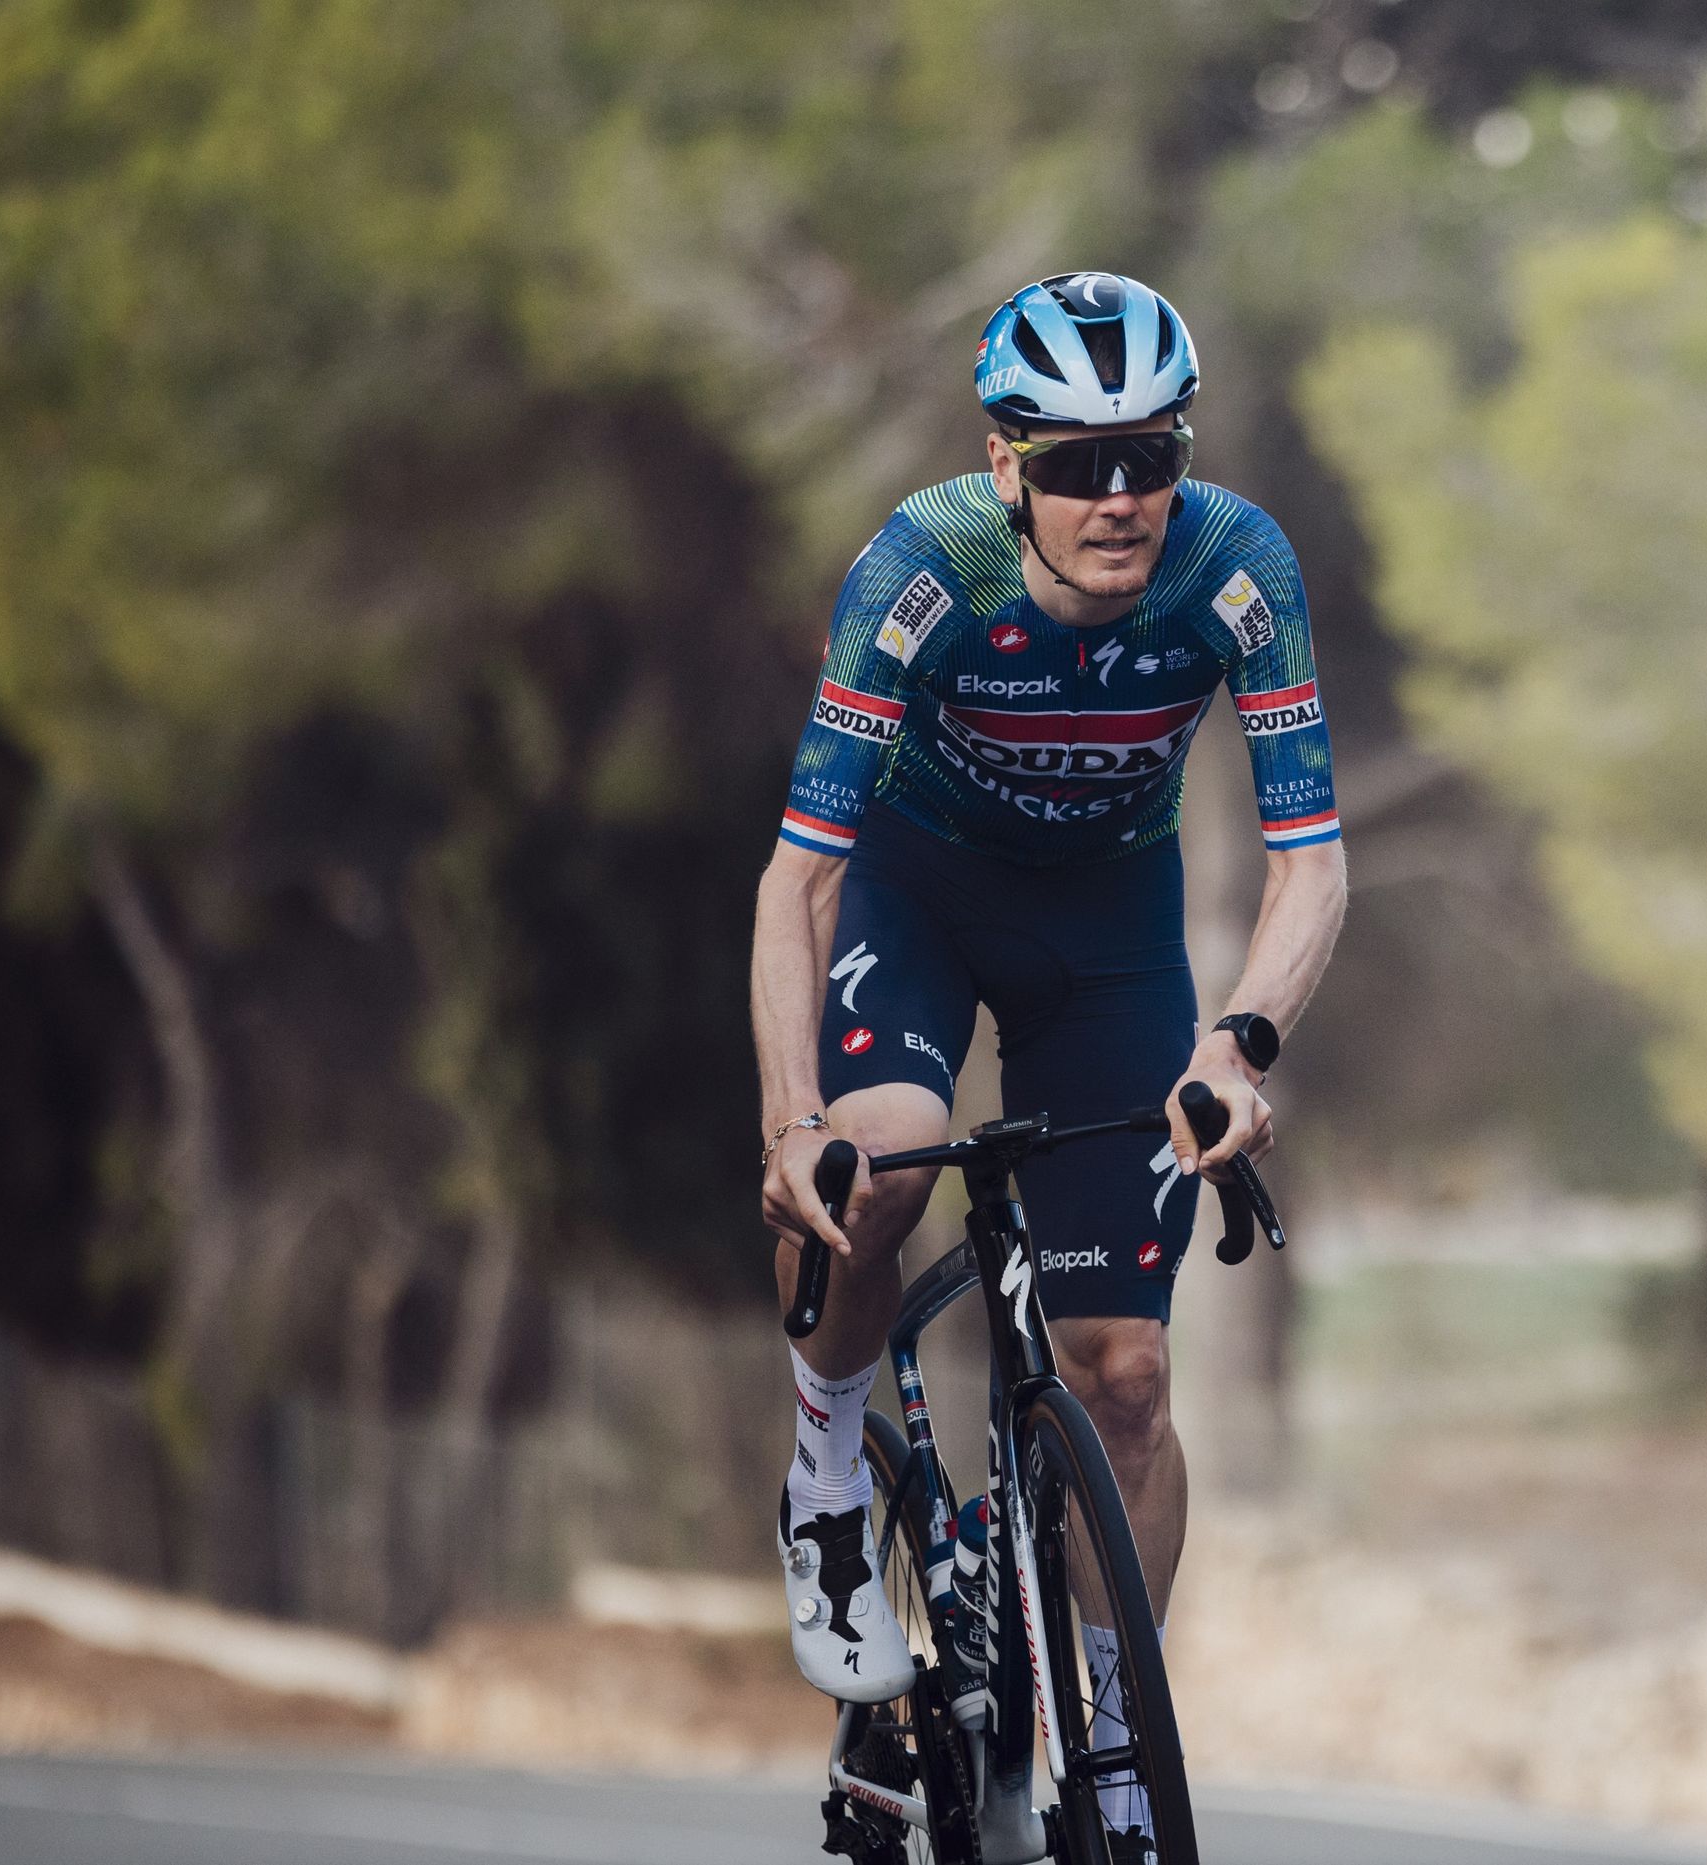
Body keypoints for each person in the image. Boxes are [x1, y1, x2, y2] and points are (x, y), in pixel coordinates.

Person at [753, 271, 1346, 1856]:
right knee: (879, 1156)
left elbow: (1309, 862)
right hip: (919, 891)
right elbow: (797, 879)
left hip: (1110, 929)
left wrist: (1239, 1044)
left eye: (1147, 454)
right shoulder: (920, 569)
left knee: (1130, 1378)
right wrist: (787, 1117)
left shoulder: (1237, 568)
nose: (1120, 495)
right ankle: (823, 1469)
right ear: (1004, 463)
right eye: (1076, 461)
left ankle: (1117, 1730)